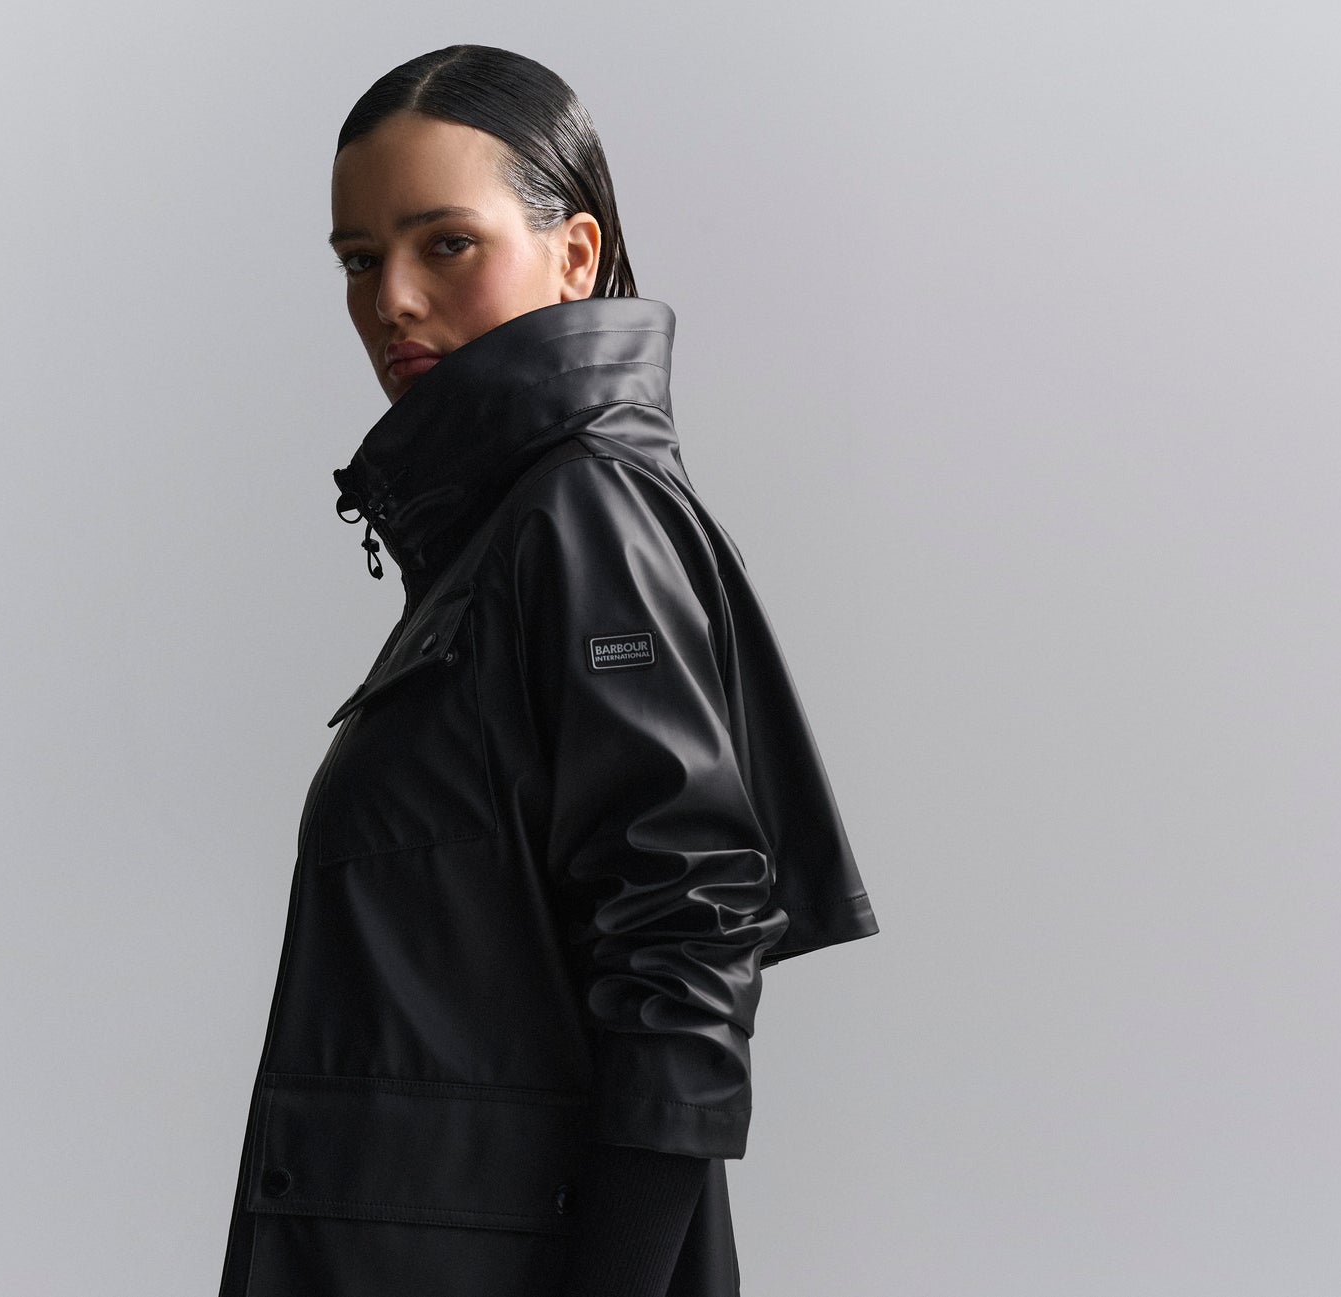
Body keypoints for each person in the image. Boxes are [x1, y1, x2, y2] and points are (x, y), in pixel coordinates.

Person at [215, 45, 879, 1297]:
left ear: (574, 254)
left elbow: (684, 936)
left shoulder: (583, 518)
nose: (392, 300)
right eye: (358, 260)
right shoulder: (503, 531)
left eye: (445, 244)